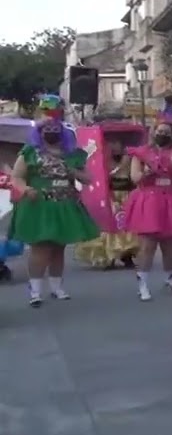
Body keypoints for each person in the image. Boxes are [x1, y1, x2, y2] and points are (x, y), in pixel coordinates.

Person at [8, 96, 100, 305]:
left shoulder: (72, 154)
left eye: (55, 129)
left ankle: (57, 287)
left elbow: (88, 178)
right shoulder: (30, 152)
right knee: (40, 247)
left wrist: (74, 171)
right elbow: (17, 176)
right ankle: (35, 290)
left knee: (59, 247)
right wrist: (26, 189)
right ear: (39, 132)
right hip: (39, 204)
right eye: (46, 129)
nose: (51, 131)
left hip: (65, 203)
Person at [119, 120, 172, 301]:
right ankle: (142, 283)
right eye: (159, 131)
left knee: (170, 245)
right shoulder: (141, 153)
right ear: (153, 133)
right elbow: (135, 178)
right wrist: (146, 173)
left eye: (166, 132)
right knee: (148, 245)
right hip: (149, 200)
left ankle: (170, 278)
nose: (162, 134)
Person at [74, 138, 142, 269]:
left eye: (117, 143)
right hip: (106, 196)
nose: (114, 147)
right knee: (107, 225)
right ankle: (107, 256)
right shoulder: (101, 162)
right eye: (111, 144)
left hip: (125, 196)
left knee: (125, 225)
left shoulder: (129, 160)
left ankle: (126, 254)